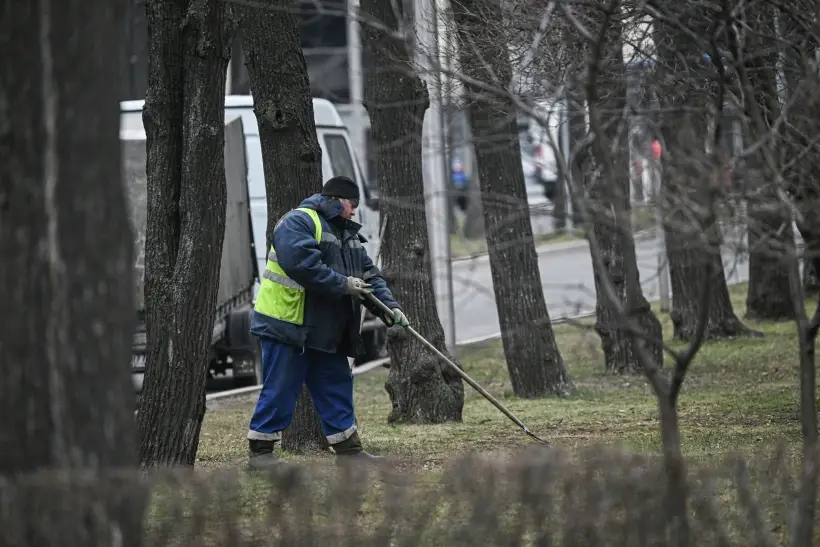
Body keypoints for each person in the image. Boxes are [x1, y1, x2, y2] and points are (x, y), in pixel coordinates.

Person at [246, 175, 408, 469]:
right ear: (335, 199)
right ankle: (260, 453)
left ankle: (349, 452)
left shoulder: (348, 236)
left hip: (323, 330)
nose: (355, 211)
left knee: (336, 386)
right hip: (288, 324)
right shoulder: (298, 222)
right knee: (281, 388)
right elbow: (301, 265)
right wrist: (343, 284)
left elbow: (370, 277)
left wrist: (391, 309)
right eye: (352, 204)